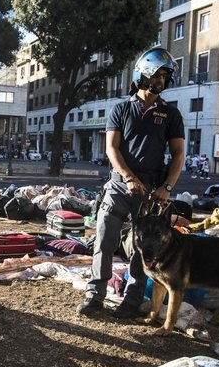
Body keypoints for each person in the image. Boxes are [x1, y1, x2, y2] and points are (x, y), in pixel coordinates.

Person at [78, 47, 185, 319]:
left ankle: (133, 299)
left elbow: (178, 153)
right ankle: (95, 295)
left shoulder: (171, 115)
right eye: (157, 74)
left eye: (165, 75)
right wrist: (128, 177)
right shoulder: (121, 109)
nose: (161, 80)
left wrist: (167, 187)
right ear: (142, 74)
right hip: (118, 186)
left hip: (150, 191)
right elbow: (111, 149)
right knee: (104, 239)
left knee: (143, 246)